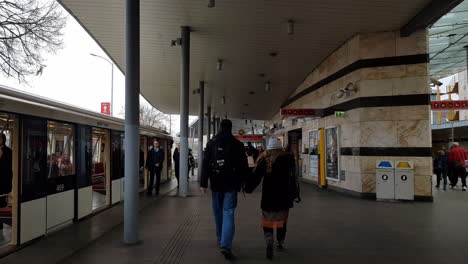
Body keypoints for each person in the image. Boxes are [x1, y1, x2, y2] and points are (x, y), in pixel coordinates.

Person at [200, 119, 248, 260]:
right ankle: (225, 245)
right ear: (231, 128)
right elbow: (243, 166)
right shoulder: (237, 144)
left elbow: (206, 162)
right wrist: (244, 182)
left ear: (220, 128)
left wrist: (203, 183)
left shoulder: (212, 142)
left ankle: (220, 237)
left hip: (216, 184)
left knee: (218, 212)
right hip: (231, 185)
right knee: (228, 213)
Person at [245, 137, 300, 260]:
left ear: (269, 148)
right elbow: (293, 178)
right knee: (282, 219)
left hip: (268, 196)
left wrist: (248, 188)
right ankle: (280, 241)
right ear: (280, 147)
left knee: (268, 219)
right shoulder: (288, 159)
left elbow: (256, 177)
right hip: (284, 196)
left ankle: (269, 240)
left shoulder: (264, 160)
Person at [0, 133, 12, 209]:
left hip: (4, 179)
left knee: (2, 200)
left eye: (0, 138)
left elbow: (9, 166)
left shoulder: (8, 151)